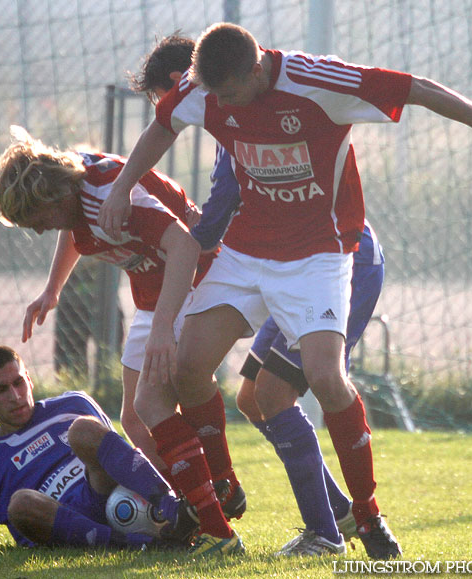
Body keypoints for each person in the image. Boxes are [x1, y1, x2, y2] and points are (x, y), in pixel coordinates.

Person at [99, 23, 472, 560]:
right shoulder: (205, 90)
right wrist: (123, 186)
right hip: (247, 254)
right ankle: (223, 484)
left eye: (231, 93)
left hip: (319, 255)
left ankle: (367, 515)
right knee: (186, 367)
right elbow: (162, 126)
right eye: (213, 94)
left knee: (325, 378)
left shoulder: (318, 79)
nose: (220, 106)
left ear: (257, 68)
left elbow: (418, 88)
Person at [130, 32, 386, 557]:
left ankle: (335, 530)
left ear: (192, 83)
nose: (174, 114)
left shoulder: (246, 116)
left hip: (337, 261)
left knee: (278, 394)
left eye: (167, 97)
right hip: (276, 263)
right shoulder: (233, 118)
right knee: (251, 398)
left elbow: (219, 212)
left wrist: (175, 253)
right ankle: (335, 510)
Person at [0, 128, 243, 557]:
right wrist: (52, 289)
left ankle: (216, 518)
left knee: (151, 404)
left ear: (51, 198)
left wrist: (164, 328)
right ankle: (191, 510)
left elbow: (184, 244)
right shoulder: (73, 194)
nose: (36, 231)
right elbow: (74, 229)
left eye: (36, 220)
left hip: (191, 284)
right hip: (152, 295)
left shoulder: (106, 192)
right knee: (134, 418)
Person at [0, 345, 196, 548]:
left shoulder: (73, 403)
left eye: (19, 383)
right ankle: (135, 545)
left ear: (30, 380)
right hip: (61, 521)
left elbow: (115, 453)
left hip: (103, 490)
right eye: (1, 389)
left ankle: (173, 509)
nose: (15, 395)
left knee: (85, 429)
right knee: (20, 504)